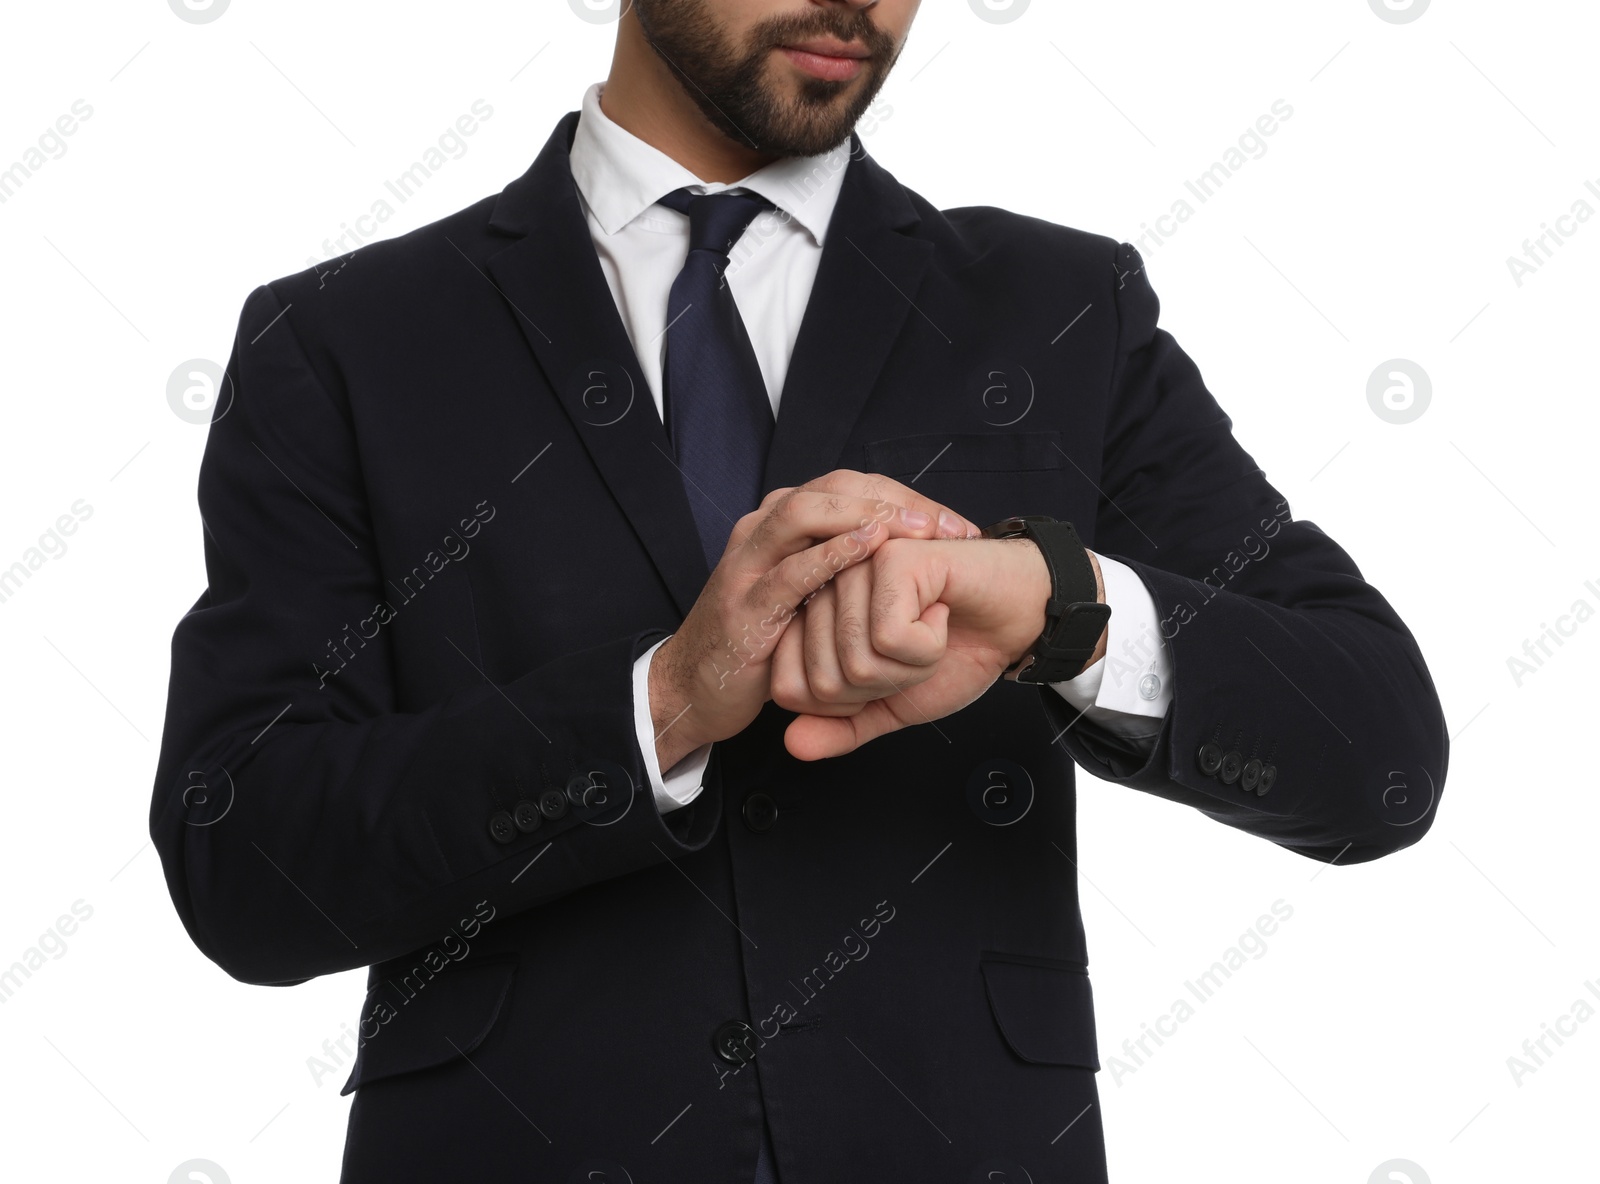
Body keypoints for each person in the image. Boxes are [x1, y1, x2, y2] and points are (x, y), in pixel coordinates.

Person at [149, 2, 1449, 1180]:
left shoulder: (1060, 307)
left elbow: (1377, 753)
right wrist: (659, 703)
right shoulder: (344, 340)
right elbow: (242, 857)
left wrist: (1062, 606)